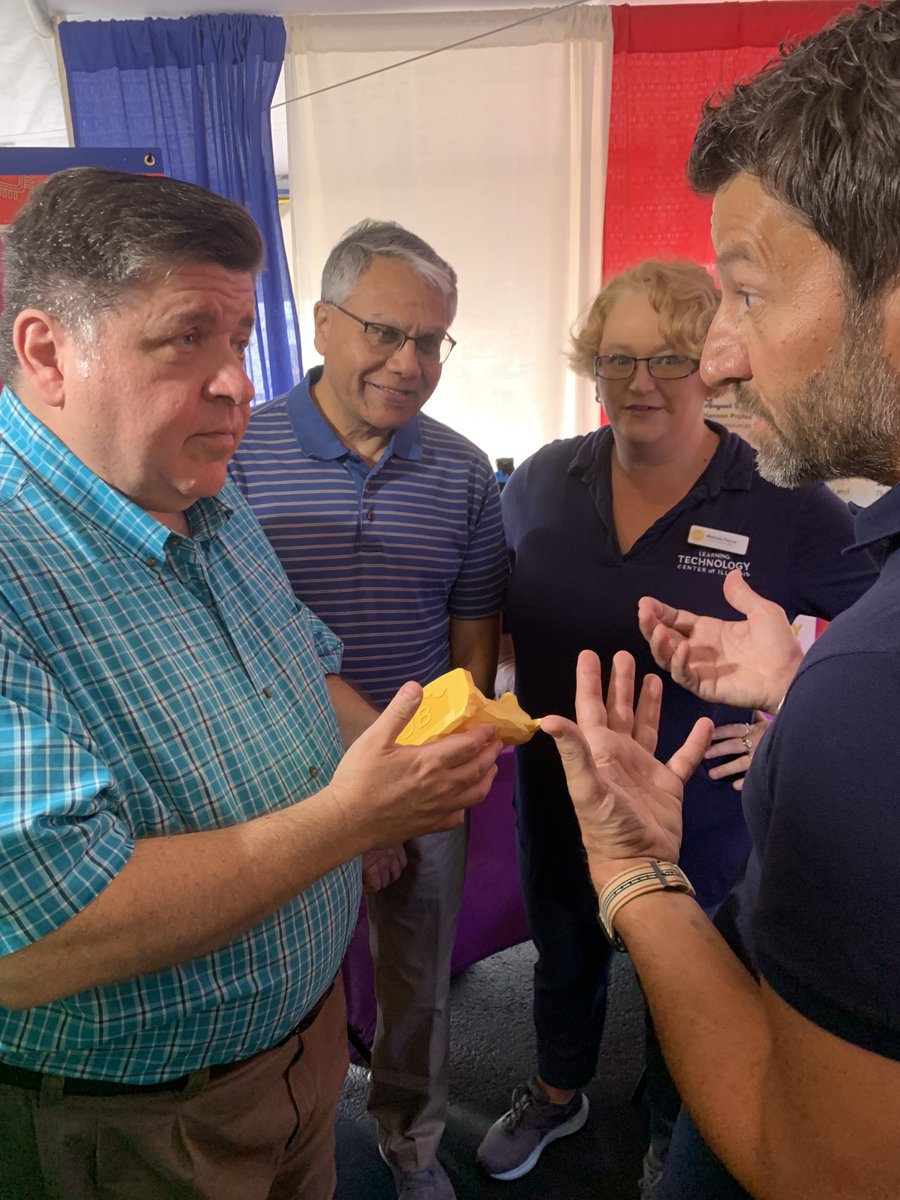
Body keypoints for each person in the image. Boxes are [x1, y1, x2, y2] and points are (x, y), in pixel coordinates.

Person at [0, 168, 503, 1200]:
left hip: (295, 1059)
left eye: (236, 340)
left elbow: (306, 667)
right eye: (188, 337)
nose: (235, 380)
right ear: (48, 352)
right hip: (140, 1123)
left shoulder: (206, 499)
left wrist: (409, 753)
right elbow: (37, 937)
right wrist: (349, 821)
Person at [542, 3, 900, 1196]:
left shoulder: (858, 678)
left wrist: (636, 871)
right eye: (623, 359)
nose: (724, 358)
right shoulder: (541, 482)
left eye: (744, 297)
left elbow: (818, 1165)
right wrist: (804, 684)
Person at [475, 259, 876, 1189]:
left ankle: (670, 1124)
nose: (641, 382)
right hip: (561, 789)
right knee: (565, 944)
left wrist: (788, 710)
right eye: (617, 359)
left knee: (686, 974)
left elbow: (876, 624)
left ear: (710, 365)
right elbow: (492, 611)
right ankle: (555, 1085)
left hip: (701, 807)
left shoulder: (778, 499)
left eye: (668, 357)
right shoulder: (538, 479)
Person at [230, 219, 507, 1200]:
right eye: (385, 332)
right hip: (278, 780)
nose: (408, 361)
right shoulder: (235, 453)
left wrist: (431, 783)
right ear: (321, 325)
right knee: (274, 979)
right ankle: (279, 1146)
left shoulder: (467, 472)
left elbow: (473, 643)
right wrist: (348, 802)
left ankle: (413, 1144)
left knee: (417, 984)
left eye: (431, 341)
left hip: (421, 772)